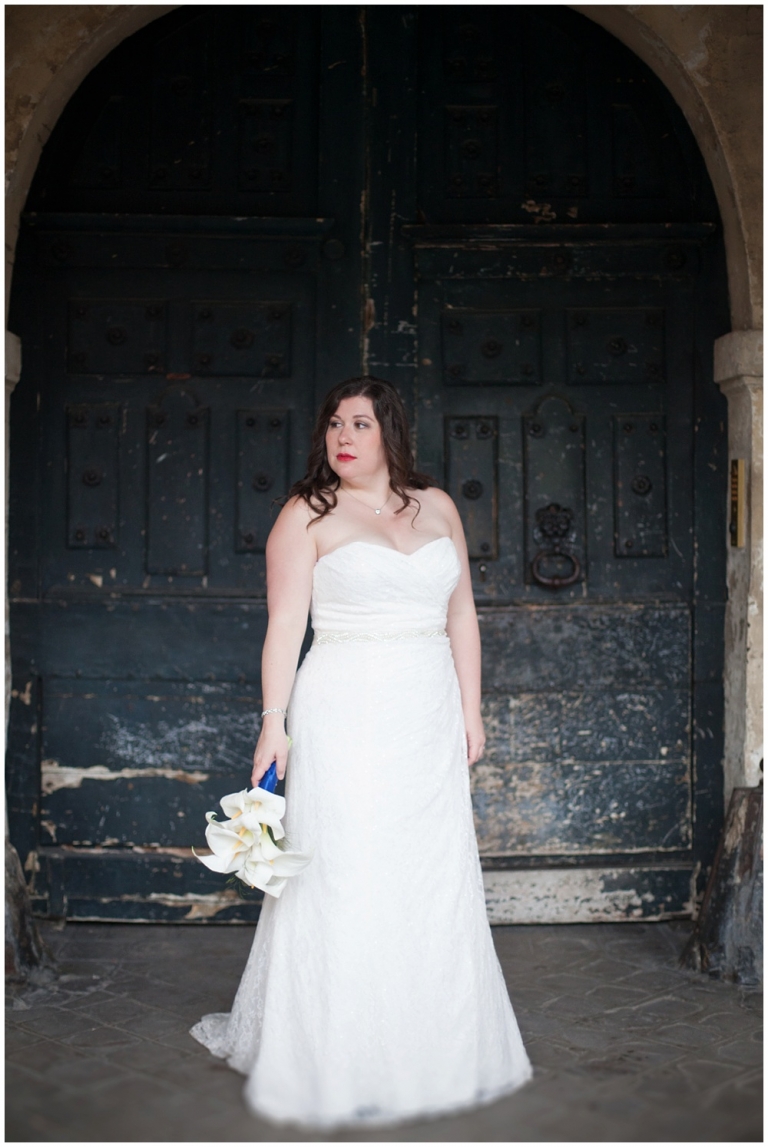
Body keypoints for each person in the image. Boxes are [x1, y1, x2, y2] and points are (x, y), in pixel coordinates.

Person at [190, 376, 532, 1128]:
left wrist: (471, 710)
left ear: (391, 433)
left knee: (430, 867)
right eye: (334, 424)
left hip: (427, 707)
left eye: (360, 423)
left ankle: (434, 1041)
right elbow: (284, 627)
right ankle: (333, 1047)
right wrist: (273, 722)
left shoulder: (438, 507)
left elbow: (462, 613)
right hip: (344, 703)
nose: (343, 437)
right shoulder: (305, 515)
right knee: (344, 864)